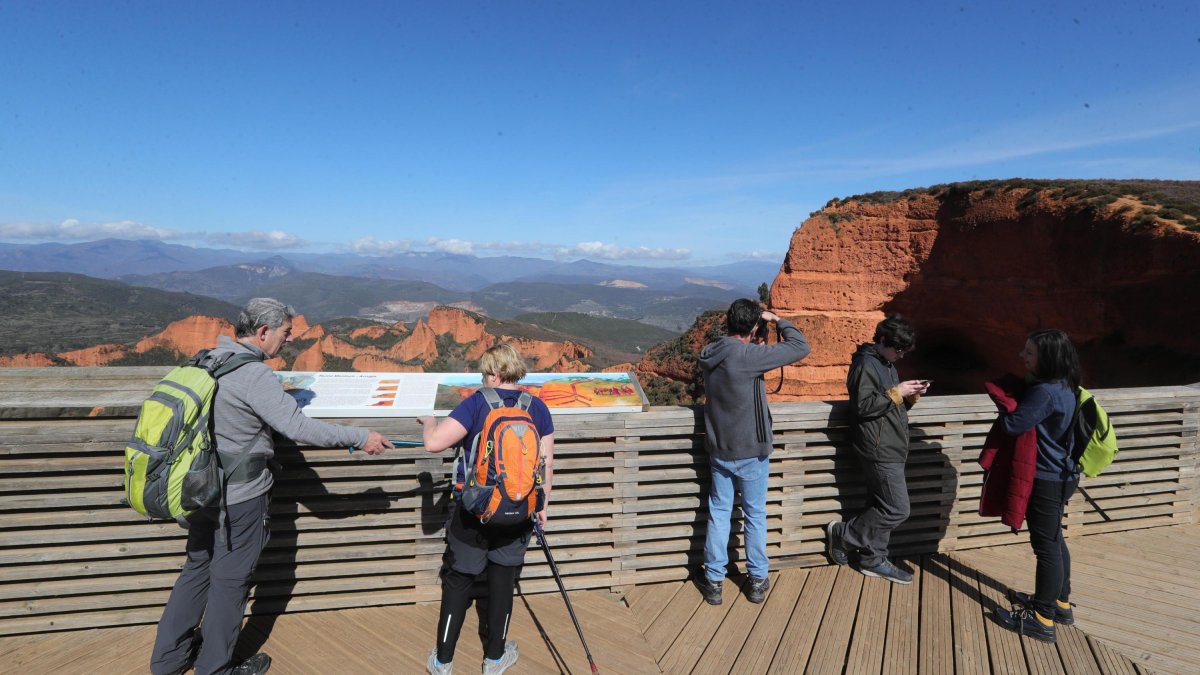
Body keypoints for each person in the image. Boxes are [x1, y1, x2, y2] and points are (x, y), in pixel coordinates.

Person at [150, 298, 394, 675]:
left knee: (197, 568)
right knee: (230, 582)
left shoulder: (206, 360)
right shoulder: (254, 375)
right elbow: (299, 428)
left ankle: (167, 660)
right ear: (263, 333)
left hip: (197, 489)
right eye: (285, 333)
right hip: (239, 497)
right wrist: (361, 436)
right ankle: (215, 668)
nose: (289, 340)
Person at [417, 343, 554, 675]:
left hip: (474, 512)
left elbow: (434, 443)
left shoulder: (476, 404)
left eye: (483, 372)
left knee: (459, 581)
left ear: (493, 372)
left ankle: (443, 661)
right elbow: (545, 464)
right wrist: (542, 508)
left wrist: (428, 422)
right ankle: (494, 659)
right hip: (519, 511)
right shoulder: (537, 408)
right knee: (503, 583)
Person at [696, 298, 811, 605]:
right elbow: (801, 346)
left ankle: (713, 582)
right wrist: (777, 320)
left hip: (719, 449)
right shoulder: (748, 356)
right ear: (754, 326)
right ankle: (757, 579)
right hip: (750, 450)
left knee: (719, 514)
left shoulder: (712, 352)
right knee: (755, 515)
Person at [825, 314, 929, 584]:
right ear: (882, 340)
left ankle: (873, 559)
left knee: (881, 504)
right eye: (898, 349)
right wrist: (898, 391)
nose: (900, 355)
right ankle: (844, 535)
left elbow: (887, 404)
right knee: (897, 509)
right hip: (878, 448)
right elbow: (863, 407)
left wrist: (910, 395)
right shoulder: (865, 365)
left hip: (891, 445)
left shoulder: (886, 362)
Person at [995, 329, 1081, 644]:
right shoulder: (1066, 385)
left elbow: (1013, 425)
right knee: (1055, 540)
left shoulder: (1044, 392)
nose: (1022, 356)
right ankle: (1061, 604)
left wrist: (1004, 403)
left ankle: (1042, 619)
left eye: (1028, 353)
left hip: (1045, 478)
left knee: (1046, 547)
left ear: (1046, 358)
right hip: (1064, 474)